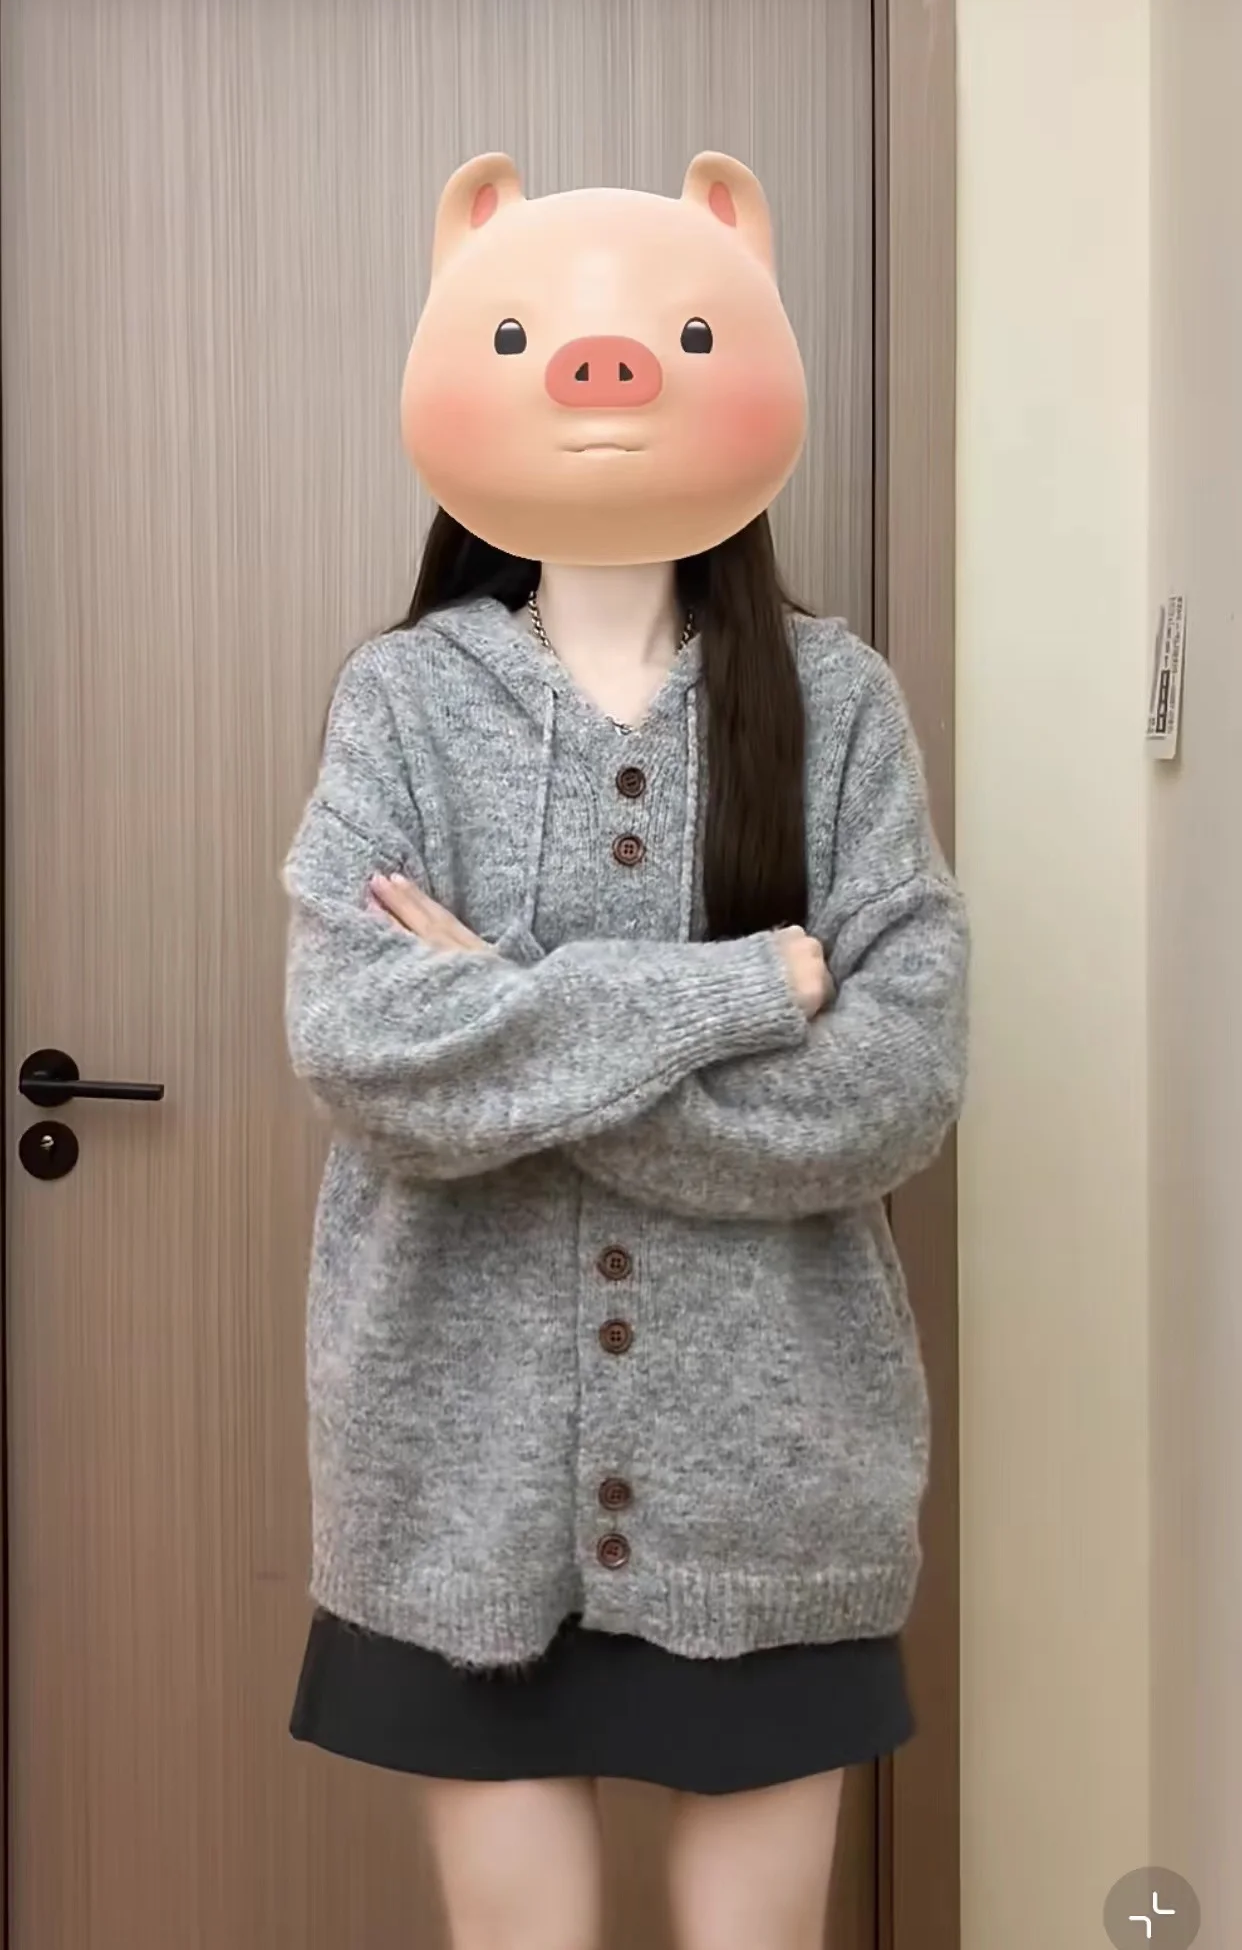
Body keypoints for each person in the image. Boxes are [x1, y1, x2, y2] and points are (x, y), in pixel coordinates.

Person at [282, 149, 969, 1950]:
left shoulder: (835, 703)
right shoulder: (403, 699)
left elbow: (893, 1087)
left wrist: (506, 1028)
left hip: (776, 1475)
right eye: (532, 337)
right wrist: (736, 996)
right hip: (454, 1476)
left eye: (672, 337)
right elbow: (360, 1046)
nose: (607, 371)